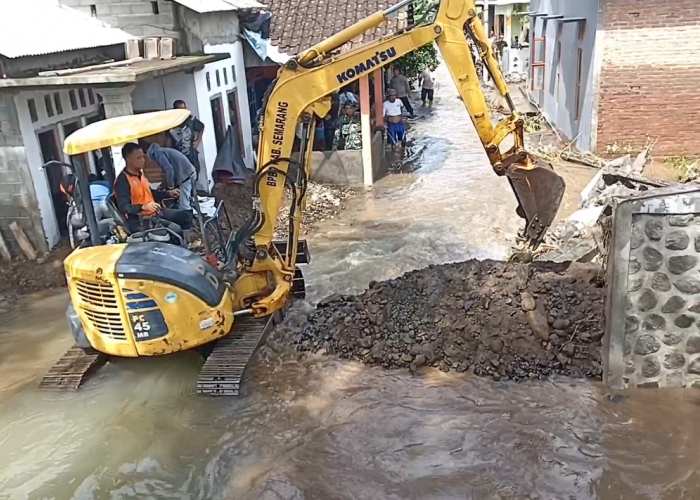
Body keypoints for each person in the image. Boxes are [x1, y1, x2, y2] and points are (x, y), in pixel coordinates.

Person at [114, 143, 193, 239]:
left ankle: (187, 243)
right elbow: (124, 207)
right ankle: (178, 247)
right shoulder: (123, 181)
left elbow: (150, 193)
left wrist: (168, 193)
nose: (143, 161)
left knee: (185, 215)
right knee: (175, 229)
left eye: (143, 157)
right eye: (139, 158)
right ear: (128, 159)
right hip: (141, 220)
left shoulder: (140, 174)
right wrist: (143, 207)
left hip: (155, 213)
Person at [141, 141, 197, 213]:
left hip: (186, 175)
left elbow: (169, 169)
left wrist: (170, 186)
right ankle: (194, 217)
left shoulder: (158, 153)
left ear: (146, 151)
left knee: (184, 204)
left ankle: (189, 221)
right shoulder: (162, 150)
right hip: (189, 172)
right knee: (188, 199)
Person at [170, 100, 205, 179]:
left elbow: (202, 127)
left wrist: (198, 141)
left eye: (184, 109)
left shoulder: (191, 119)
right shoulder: (171, 121)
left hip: (191, 152)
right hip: (178, 153)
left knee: (194, 172)